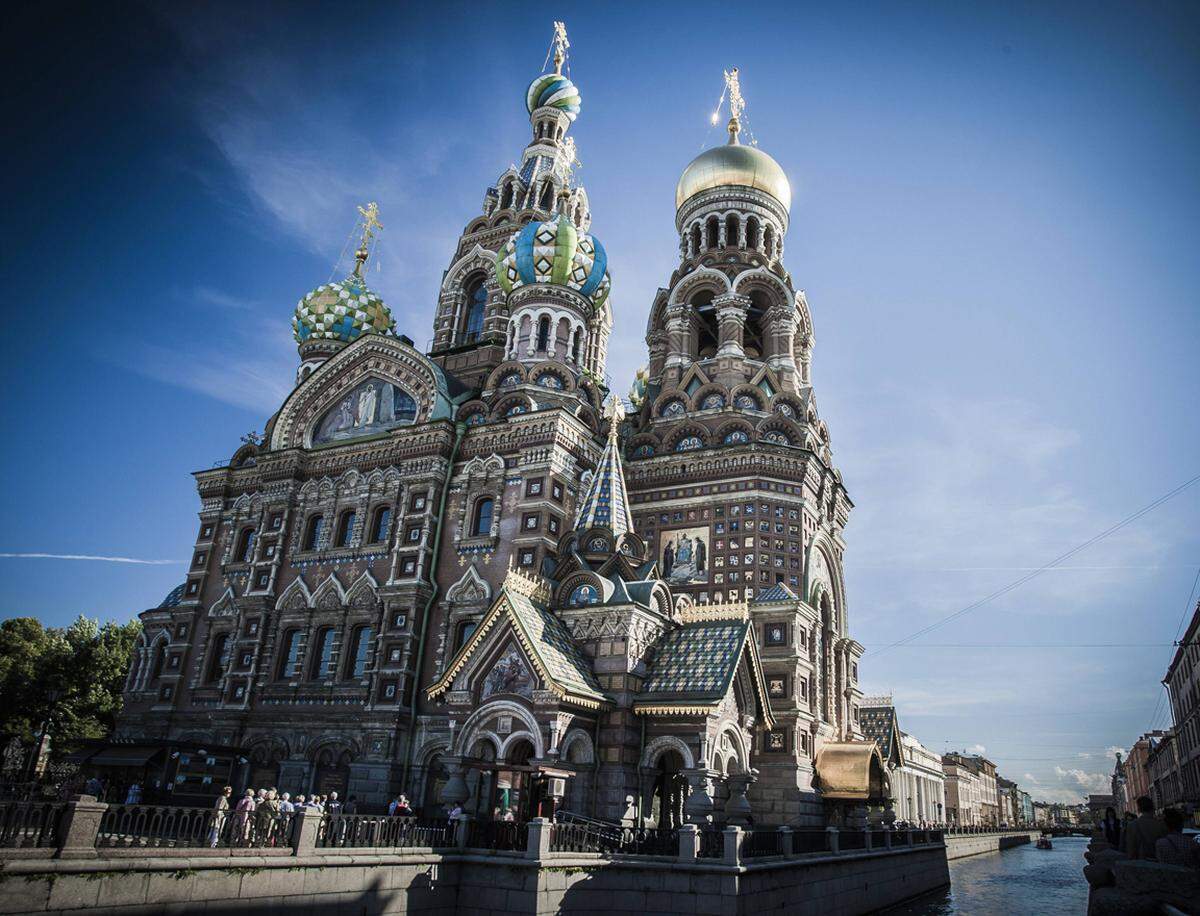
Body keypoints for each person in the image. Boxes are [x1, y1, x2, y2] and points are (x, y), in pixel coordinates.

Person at [1124, 796, 1168, 860]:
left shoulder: (1132, 825)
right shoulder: (1161, 824)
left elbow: (1131, 849)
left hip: (1143, 863)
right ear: (1152, 807)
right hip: (1160, 862)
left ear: (1139, 808)